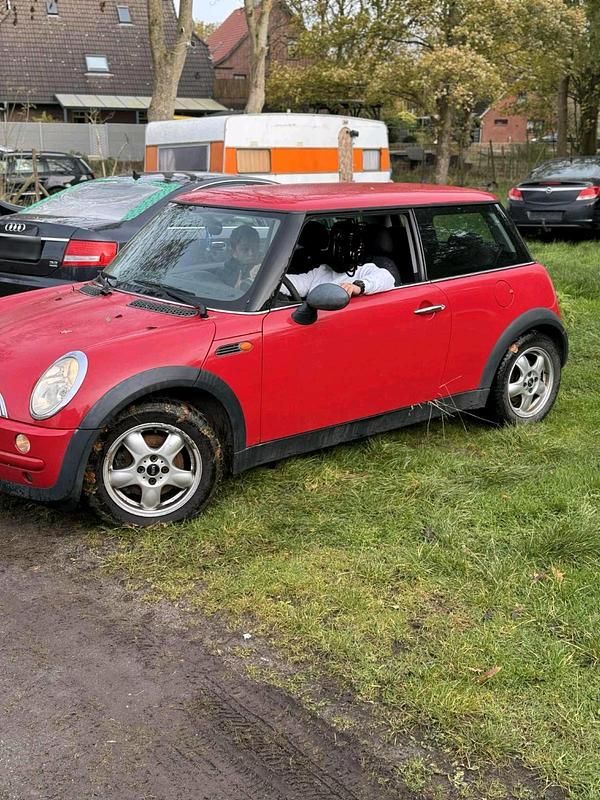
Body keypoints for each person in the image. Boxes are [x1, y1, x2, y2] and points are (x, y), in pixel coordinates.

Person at [281, 220, 395, 299]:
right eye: (335, 245)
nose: (340, 251)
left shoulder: (365, 270)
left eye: (345, 245)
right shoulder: (321, 270)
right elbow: (297, 284)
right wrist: (272, 281)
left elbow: (387, 279)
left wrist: (358, 287)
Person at [223, 224, 261, 291]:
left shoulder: (268, 264)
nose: (251, 253)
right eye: (245, 249)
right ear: (234, 252)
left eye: (255, 247)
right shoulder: (227, 273)